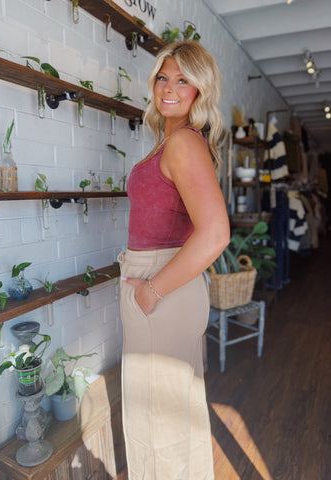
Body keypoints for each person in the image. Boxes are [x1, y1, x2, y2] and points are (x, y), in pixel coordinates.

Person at [117, 40, 230, 480]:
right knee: (175, 416)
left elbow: (216, 234)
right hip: (167, 288)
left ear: (200, 90)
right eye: (164, 77)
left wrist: (151, 289)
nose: (169, 87)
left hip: (160, 287)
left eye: (183, 79)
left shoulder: (182, 143)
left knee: (156, 423)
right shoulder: (176, 141)